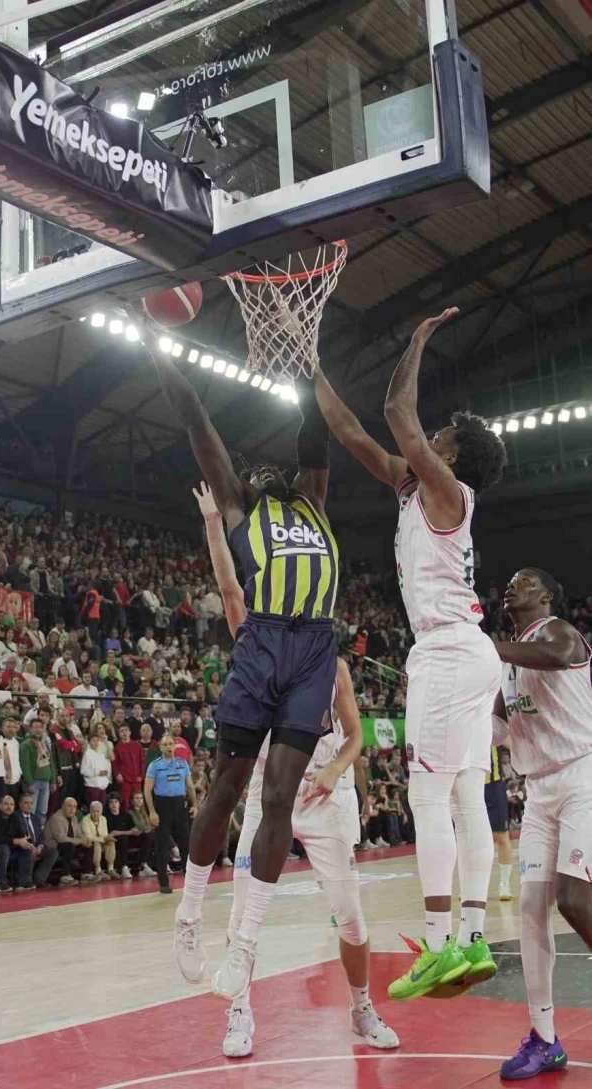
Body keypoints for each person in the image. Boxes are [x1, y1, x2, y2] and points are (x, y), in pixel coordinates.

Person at [313, 309, 507, 1000]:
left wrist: (418, 337)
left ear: (449, 453)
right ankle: (472, 936)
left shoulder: (449, 490)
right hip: (464, 651)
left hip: (450, 652)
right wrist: (311, 364)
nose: (437, 433)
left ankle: (439, 941)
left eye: (444, 433)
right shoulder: (417, 486)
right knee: (460, 793)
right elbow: (351, 430)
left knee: (429, 793)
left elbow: (397, 409)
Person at [154, 344, 339, 987]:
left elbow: (315, 429)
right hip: (261, 646)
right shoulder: (238, 506)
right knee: (227, 789)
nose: (266, 470)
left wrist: (307, 352)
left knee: (279, 796)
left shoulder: (313, 499)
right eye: (254, 469)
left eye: (272, 467)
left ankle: (245, 943)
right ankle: (189, 912)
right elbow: (196, 417)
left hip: (315, 647)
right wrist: (154, 347)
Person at [195, 479, 398, 1048]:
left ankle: (362, 1008)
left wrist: (335, 771)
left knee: (352, 918)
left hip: (324, 794)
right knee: (242, 915)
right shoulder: (255, 635)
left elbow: (356, 735)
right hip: (270, 793)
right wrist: (215, 525)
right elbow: (229, 586)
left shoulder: (327, 660)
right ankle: (240, 1014)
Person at [492, 568, 592, 1079]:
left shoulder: (559, 634)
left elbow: (554, 658)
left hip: (582, 778)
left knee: (574, 900)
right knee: (531, 908)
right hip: (538, 794)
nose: (512, 585)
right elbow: (494, 727)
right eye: (509, 581)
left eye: (524, 580)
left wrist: (484, 649)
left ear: (546, 595)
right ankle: (545, 1038)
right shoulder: (506, 663)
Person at [144, 734, 196, 894]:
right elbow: (147, 789)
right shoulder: (154, 765)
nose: (168, 747)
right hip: (162, 805)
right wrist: (152, 811)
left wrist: (195, 805)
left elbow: (190, 786)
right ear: (160, 747)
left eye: (170, 744)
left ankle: (190, 880)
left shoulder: (182, 763)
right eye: (165, 744)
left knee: (186, 844)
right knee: (162, 846)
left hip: (179, 805)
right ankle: (164, 883)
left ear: (175, 746)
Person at [485, 744, 513, 902]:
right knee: (471, 839)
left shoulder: (494, 720)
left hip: (494, 786)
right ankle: (469, 886)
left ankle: (504, 884)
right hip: (470, 784)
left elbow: (510, 741)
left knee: (502, 836)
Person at [43, 797, 91, 886]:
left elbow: (79, 833)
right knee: (69, 845)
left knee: (88, 845)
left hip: (69, 845)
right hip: (54, 846)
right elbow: (61, 839)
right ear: (63, 806)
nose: (72, 809)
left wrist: (86, 840)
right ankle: (65, 876)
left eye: (75, 807)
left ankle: (87, 874)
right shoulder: (56, 818)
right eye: (69, 806)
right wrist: (79, 841)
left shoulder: (74, 818)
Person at [20, 717, 58, 819]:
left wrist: (53, 780)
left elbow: (51, 763)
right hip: (34, 782)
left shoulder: (45, 743)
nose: (38, 729)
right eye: (35, 727)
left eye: (40, 727)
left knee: (42, 811)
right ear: (30, 729)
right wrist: (30, 782)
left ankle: (39, 833)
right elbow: (25, 766)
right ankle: (30, 833)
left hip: (46, 781)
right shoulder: (26, 745)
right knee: (31, 810)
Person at [113, 723, 145, 812]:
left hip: (137, 780)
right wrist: (117, 774)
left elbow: (142, 762)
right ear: (119, 734)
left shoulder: (137, 745)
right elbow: (115, 764)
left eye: (126, 730)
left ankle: (141, 821)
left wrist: (141, 775)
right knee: (125, 803)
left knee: (138, 803)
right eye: (122, 731)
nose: (124, 733)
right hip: (124, 781)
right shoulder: (117, 748)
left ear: (130, 732)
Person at [80, 799, 116, 880]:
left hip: (100, 841)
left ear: (101, 812)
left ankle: (110, 869)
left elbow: (105, 834)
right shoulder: (85, 820)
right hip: (89, 844)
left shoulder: (103, 819)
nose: (96, 813)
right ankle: (98, 870)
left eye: (98, 811)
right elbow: (89, 837)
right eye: (93, 811)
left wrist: (106, 838)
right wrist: (103, 839)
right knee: (96, 843)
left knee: (111, 842)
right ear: (90, 811)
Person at [81, 731, 111, 809]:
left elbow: (105, 768)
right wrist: (97, 772)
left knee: (102, 809)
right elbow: (83, 770)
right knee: (93, 809)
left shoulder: (101, 754)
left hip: (102, 786)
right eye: (93, 740)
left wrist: (105, 775)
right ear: (89, 742)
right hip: (92, 786)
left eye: (97, 740)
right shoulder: (87, 753)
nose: (95, 742)